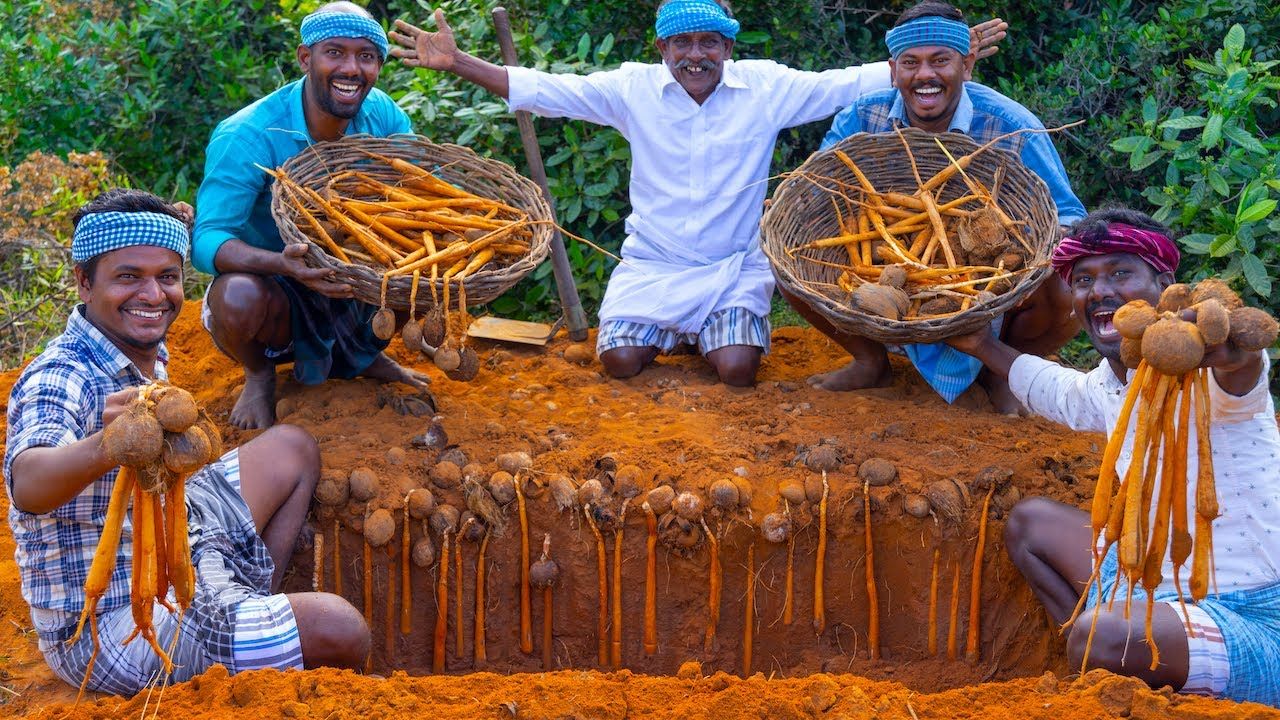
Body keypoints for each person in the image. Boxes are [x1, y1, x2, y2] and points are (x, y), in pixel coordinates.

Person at [389, 0, 1006, 387]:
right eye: (682, 44)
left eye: (709, 42)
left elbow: (843, 82)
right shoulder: (632, 88)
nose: (695, 55)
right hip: (653, 264)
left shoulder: (765, 88)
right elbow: (548, 88)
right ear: (662, 50)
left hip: (733, 266)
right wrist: (459, 62)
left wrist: (934, 55)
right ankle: (672, 330)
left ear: (728, 48)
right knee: (620, 364)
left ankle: (707, 332)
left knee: (737, 371)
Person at [4, 189, 370, 695]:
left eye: (168, 277)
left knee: (292, 448)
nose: (153, 296)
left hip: (171, 542)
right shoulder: (60, 375)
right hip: (112, 621)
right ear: (84, 283)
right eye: (129, 277)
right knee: (339, 628)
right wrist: (108, 445)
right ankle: (248, 642)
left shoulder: (138, 342)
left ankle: (243, 604)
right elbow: (27, 483)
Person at [947, 207, 1280, 705]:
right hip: (1149, 586)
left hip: (1255, 614)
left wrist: (1234, 352)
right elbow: (1050, 387)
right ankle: (1100, 671)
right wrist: (978, 343)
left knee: (1103, 635)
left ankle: (1112, 659)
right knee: (1029, 525)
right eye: (1083, 280)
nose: (1099, 290)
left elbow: (1244, 369)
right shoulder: (1110, 384)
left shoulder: (1214, 376)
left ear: (1164, 283)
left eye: (1120, 273)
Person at [788, 0, 1086, 413]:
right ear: (893, 72)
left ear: (966, 65)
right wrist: (797, 200)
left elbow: (1071, 217)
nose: (925, 75)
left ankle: (1004, 372)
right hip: (881, 282)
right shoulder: (862, 117)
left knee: (1066, 283)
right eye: (910, 62)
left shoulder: (1012, 126)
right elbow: (817, 188)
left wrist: (1040, 249)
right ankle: (871, 362)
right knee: (790, 253)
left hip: (991, 288)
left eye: (940, 61)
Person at [194, 1, 428, 430]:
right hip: (278, 283)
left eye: (366, 56)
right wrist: (281, 263)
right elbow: (208, 241)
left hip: (357, 270)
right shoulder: (247, 134)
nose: (352, 69)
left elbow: (419, 189)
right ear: (306, 58)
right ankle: (260, 374)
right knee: (237, 298)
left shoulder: (384, 114)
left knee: (426, 271)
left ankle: (365, 356)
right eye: (334, 53)